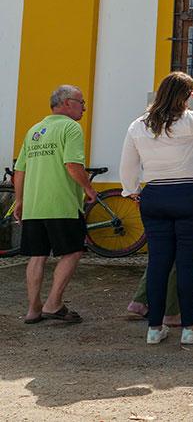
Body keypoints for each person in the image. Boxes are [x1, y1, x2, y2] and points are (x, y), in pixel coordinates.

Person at [120, 72, 193, 344]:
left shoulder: (138, 125)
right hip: (190, 195)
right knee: (186, 264)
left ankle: (154, 328)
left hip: (155, 196)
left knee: (158, 263)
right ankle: (189, 327)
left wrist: (132, 190)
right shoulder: (188, 120)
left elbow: (128, 164)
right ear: (186, 97)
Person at [13, 85, 98, 324]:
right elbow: (72, 165)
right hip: (61, 203)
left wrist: (20, 201)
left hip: (34, 204)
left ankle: (33, 309)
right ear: (67, 103)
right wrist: (89, 189)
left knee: (37, 256)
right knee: (72, 251)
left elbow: (20, 170)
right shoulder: (71, 127)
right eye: (81, 103)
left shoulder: (34, 130)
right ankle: (53, 303)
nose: (84, 108)